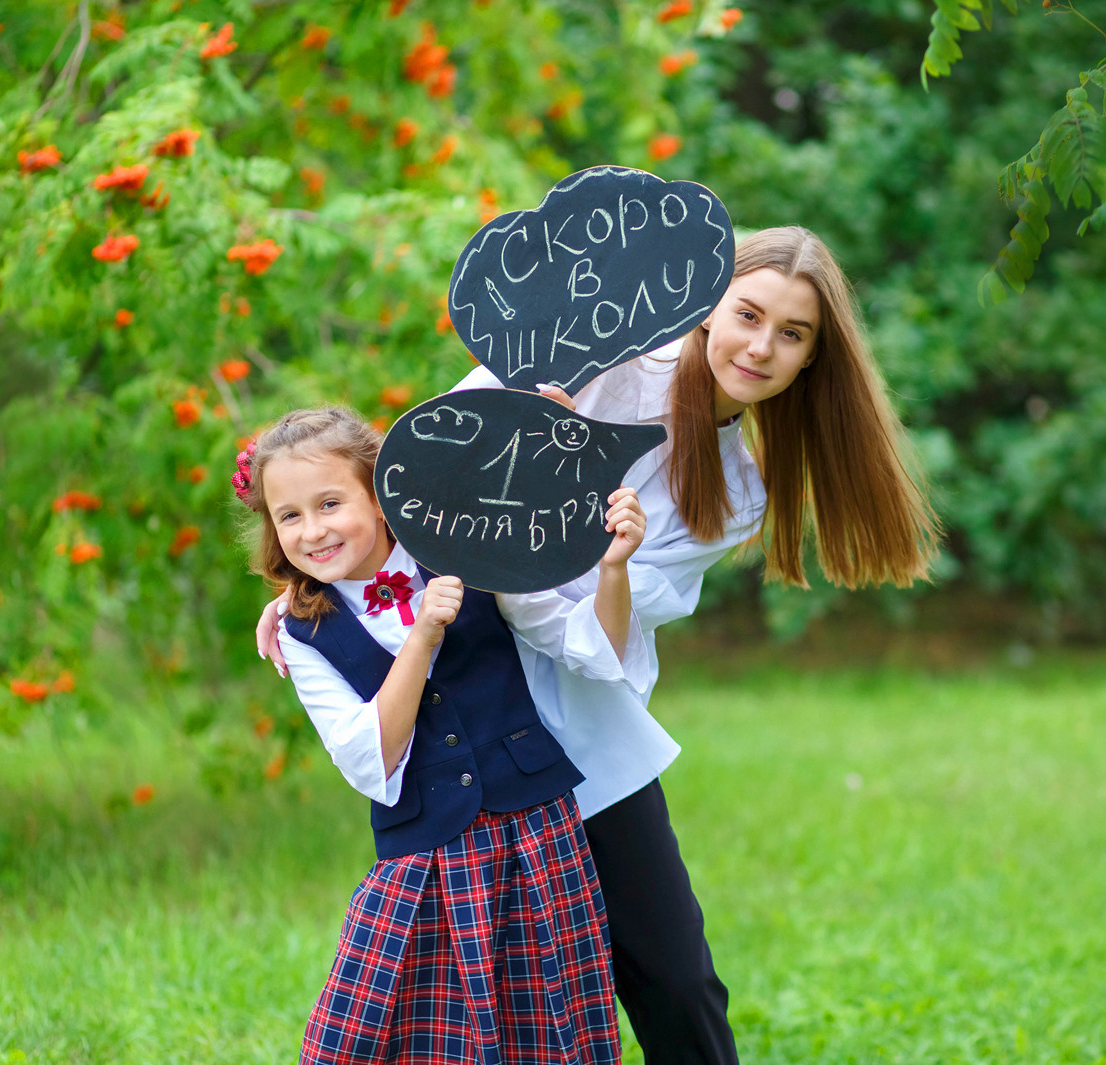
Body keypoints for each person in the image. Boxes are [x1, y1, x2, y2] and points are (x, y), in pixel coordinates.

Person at [258, 226, 941, 1064]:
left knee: (674, 977)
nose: (759, 345)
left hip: (580, 729)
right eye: (747, 313)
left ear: (811, 360)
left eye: (791, 334)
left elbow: (589, 619)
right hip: (465, 715)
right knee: (485, 1001)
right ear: (704, 309)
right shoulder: (597, 345)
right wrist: (317, 592)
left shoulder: (737, 493)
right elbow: (414, 476)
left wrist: (553, 506)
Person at [237, 406, 649, 1065]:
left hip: (533, 832)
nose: (312, 529)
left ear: (380, 493)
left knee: (545, 1027)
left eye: (331, 502)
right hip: (425, 856)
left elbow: (593, 651)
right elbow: (371, 759)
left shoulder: (466, 550)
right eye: (289, 515)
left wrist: (613, 569)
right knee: (365, 1038)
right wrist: (422, 636)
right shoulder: (300, 631)